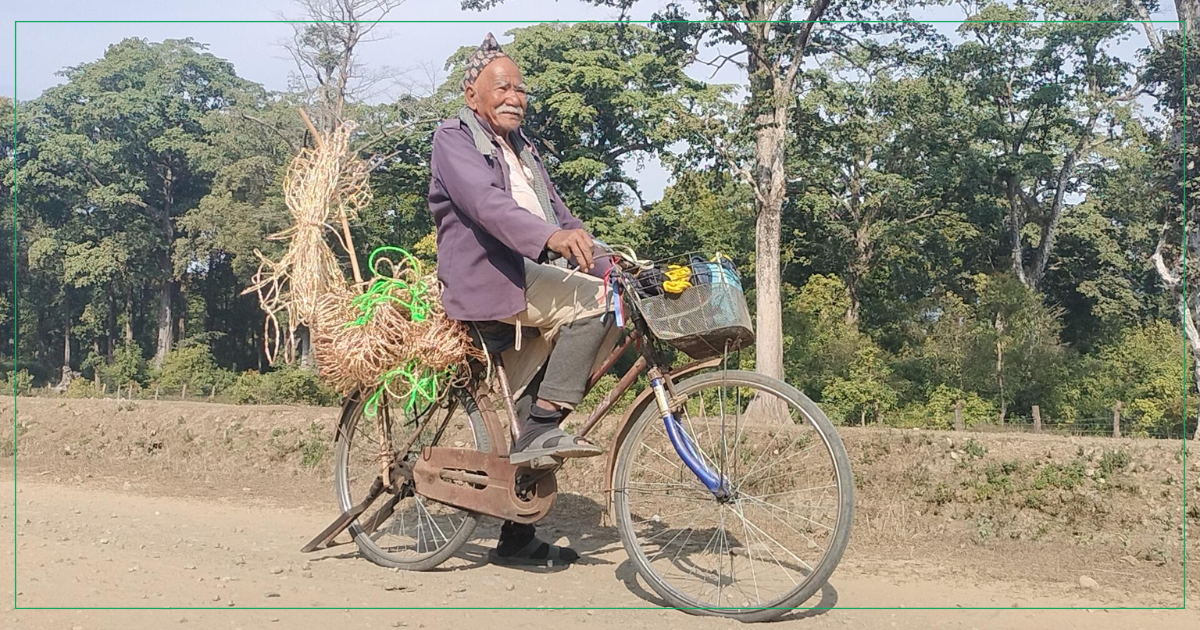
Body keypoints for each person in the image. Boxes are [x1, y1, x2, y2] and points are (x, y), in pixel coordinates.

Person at [426, 33, 620, 566]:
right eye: (501, 87)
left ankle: (515, 536)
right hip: (491, 280)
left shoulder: (525, 151)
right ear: (473, 96)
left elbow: (564, 220)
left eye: (521, 88)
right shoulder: (454, 139)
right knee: (599, 306)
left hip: (530, 280)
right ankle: (541, 425)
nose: (514, 96)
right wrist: (553, 241)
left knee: (613, 296)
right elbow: (487, 206)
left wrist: (611, 259)